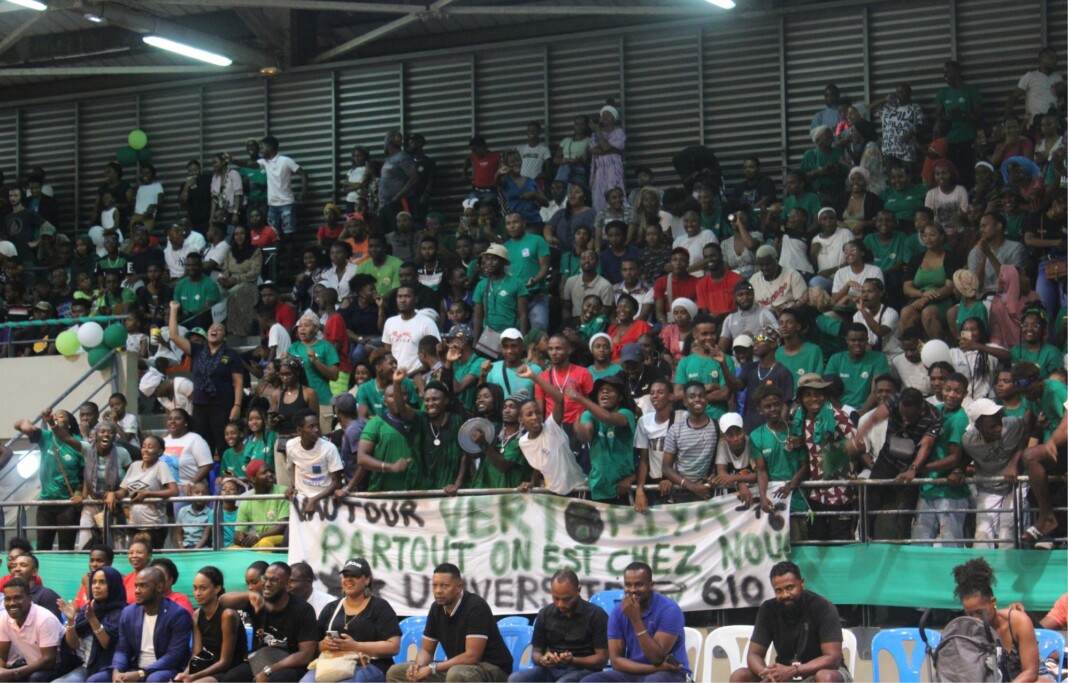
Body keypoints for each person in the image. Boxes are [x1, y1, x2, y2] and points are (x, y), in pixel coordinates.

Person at [385, 563, 512, 682]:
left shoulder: (476, 606)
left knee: (456, 674)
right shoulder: (436, 608)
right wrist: (418, 667)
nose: (438, 591)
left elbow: (472, 656)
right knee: (396, 672)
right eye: (435, 585)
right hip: (461, 668)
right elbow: (426, 650)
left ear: (459, 587)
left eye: (444, 586)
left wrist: (432, 668)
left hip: (493, 669)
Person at [729, 561, 850, 683]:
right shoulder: (768, 610)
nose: (785, 594)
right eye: (778, 591)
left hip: (821, 672)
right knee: (740, 676)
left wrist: (794, 670)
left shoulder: (823, 607)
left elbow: (833, 658)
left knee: (825, 677)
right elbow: (753, 654)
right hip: (785, 675)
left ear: (802, 583)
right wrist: (768, 673)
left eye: (790, 587)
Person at [854, 387, 942, 541]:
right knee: (870, 503)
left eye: (910, 416)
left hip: (911, 464)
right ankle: (864, 540)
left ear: (921, 408)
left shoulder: (934, 416)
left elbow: (926, 446)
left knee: (905, 512)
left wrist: (913, 469)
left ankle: (903, 546)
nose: (905, 420)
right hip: (887, 459)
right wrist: (857, 438)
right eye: (902, 415)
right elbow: (874, 418)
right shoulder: (895, 400)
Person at [580, 562, 688, 683]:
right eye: (628, 585)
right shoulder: (618, 611)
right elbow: (616, 661)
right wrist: (652, 669)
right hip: (636, 672)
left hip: (670, 673)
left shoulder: (669, 610)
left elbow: (656, 658)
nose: (632, 590)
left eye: (639, 585)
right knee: (589, 681)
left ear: (650, 585)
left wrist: (635, 619)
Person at [952, 558, 1052, 682]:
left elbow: (1030, 672)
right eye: (969, 614)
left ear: (993, 602)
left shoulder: (1018, 622)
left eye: (979, 612)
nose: (975, 619)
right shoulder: (969, 630)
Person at [302, 558, 401, 683]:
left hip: (371, 664)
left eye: (355, 575)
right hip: (332, 663)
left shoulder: (380, 607)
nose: (348, 579)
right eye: (345, 575)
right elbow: (313, 645)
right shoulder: (331, 608)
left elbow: (394, 646)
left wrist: (356, 646)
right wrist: (324, 644)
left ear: (367, 580)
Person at [92, 567, 193, 682]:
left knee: (154, 679)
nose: (137, 591)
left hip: (166, 669)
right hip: (134, 668)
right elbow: (122, 650)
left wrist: (141, 673)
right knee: (95, 680)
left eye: (143, 586)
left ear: (159, 587)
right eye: (136, 586)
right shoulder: (128, 613)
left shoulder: (178, 615)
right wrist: (116, 671)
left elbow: (174, 656)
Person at [222, 562, 318, 682]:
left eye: (274, 580)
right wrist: (249, 595)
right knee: (231, 678)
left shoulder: (303, 610)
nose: (267, 584)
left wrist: (270, 669)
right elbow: (222, 601)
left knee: (277, 679)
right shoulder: (258, 602)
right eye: (265, 579)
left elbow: (306, 654)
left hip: (290, 664)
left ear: (287, 584)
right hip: (262, 658)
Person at [508, 569, 608, 683]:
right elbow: (536, 654)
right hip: (551, 669)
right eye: (556, 598)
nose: (560, 604)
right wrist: (543, 659)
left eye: (566, 599)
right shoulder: (544, 614)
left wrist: (573, 660)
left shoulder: (596, 615)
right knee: (515, 679)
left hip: (585, 670)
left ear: (578, 591)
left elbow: (602, 659)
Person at [175, 566, 246, 683]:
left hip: (228, 671)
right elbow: (197, 653)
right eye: (195, 588)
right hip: (206, 666)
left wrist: (193, 677)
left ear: (217, 588)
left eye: (203, 588)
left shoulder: (227, 615)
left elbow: (225, 662)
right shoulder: (197, 615)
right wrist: (185, 673)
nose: (197, 593)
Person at [56, 567, 126, 682]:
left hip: (107, 668)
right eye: (94, 582)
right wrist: (70, 621)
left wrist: (93, 619)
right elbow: (74, 645)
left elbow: (107, 645)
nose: (96, 586)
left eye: (102, 582)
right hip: (86, 666)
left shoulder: (121, 612)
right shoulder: (88, 608)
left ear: (113, 585)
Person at [111, 435, 178, 550]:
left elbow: (174, 491)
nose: (145, 450)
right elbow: (124, 490)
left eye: (150, 447)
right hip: (133, 524)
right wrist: (114, 494)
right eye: (143, 446)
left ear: (160, 451)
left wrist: (148, 494)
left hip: (153, 525)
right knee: (134, 557)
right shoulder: (134, 465)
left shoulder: (161, 466)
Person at [0, 577, 65, 682]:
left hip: (59, 665)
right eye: (8, 599)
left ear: (30, 598)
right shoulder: (4, 618)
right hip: (32, 665)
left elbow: (48, 660)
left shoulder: (45, 619)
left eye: (17, 598)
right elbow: (2, 657)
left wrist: (14, 673)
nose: (12, 603)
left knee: (35, 678)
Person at [285, 410, 344, 517]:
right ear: (299, 430)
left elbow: (337, 482)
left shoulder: (329, 449)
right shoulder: (290, 446)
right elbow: (293, 465)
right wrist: (292, 486)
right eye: (311, 427)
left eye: (317, 426)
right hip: (301, 500)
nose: (316, 430)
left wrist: (314, 500)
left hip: (325, 501)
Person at [235, 459, 290, 548]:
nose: (270, 474)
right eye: (264, 473)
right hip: (259, 538)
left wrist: (258, 536)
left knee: (264, 543)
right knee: (234, 548)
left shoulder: (283, 491)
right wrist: (240, 537)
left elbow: (283, 526)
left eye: (270, 471)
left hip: (282, 538)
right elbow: (238, 532)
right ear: (253, 479)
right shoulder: (246, 501)